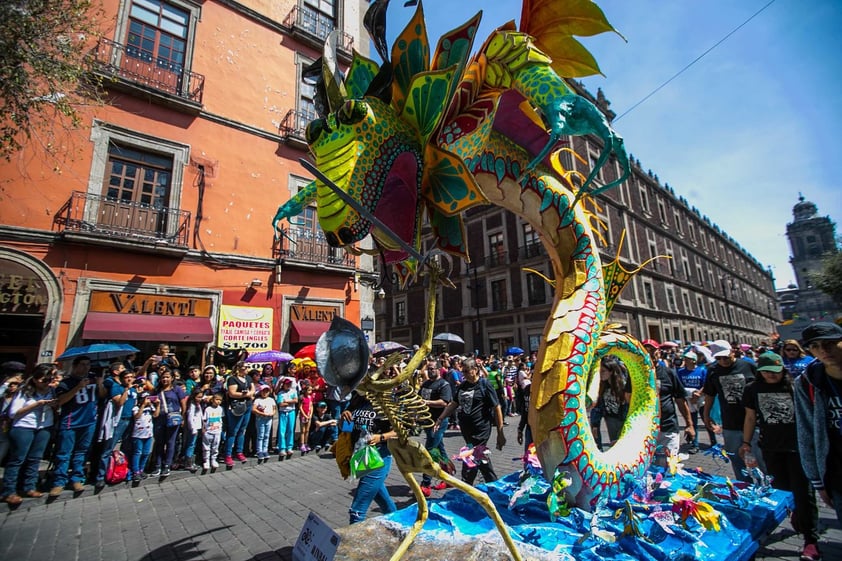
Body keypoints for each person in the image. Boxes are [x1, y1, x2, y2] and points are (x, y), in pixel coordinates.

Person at [741, 351, 821, 561]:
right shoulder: (752, 389)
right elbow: (750, 417)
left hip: (798, 448)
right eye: (766, 372)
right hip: (771, 448)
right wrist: (746, 442)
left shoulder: (795, 386)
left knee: (804, 493)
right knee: (783, 490)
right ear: (760, 372)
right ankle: (796, 514)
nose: (771, 375)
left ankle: (810, 541)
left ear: (782, 369)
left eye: (775, 371)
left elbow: (810, 416)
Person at [794, 321, 842, 528]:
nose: (823, 350)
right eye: (815, 346)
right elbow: (806, 432)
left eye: (830, 343)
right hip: (838, 471)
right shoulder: (807, 382)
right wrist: (817, 481)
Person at [434, 357, 506, 485]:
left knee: (472, 455)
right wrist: (440, 418)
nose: (464, 374)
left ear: (475, 370)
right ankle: (490, 484)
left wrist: (500, 433)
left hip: (481, 428)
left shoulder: (485, 384)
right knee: (479, 457)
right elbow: (454, 403)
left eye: (467, 371)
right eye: (463, 372)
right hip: (467, 429)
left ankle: (467, 483)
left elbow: (497, 407)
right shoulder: (463, 386)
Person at [702, 339, 760, 482]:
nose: (723, 361)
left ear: (733, 352)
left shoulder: (748, 365)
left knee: (760, 460)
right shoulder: (713, 370)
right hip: (730, 423)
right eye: (718, 358)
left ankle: (767, 490)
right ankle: (744, 488)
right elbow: (710, 394)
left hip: (754, 421)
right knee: (736, 460)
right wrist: (706, 414)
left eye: (726, 357)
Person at [1, 364, 57, 505]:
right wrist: (37, 404)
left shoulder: (52, 390)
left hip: (44, 426)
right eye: (44, 380)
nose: (46, 383)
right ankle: (9, 491)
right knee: (17, 459)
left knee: (35, 458)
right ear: (35, 379)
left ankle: (29, 487)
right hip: (24, 427)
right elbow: (13, 413)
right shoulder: (24, 391)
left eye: (49, 379)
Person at [342, 391, 397, 524]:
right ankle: (399, 524)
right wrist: (344, 415)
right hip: (360, 455)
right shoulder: (357, 399)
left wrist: (381, 437)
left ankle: (352, 543)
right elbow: (347, 427)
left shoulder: (387, 401)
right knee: (383, 500)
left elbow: (403, 430)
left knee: (357, 509)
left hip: (378, 456)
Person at [50, 355, 101, 498]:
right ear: (75, 366)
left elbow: (101, 395)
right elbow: (61, 401)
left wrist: (100, 384)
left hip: (89, 421)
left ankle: (77, 478)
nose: (86, 367)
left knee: (82, 452)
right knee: (64, 453)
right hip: (70, 422)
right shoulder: (66, 383)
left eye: (88, 364)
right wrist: (78, 387)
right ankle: (59, 481)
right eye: (83, 364)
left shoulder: (92, 380)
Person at [642, 340, 694, 466]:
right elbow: (628, 400)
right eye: (645, 351)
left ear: (658, 353)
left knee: (669, 466)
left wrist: (689, 424)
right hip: (644, 430)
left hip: (668, 427)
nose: (649, 354)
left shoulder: (669, 373)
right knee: (648, 468)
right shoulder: (635, 374)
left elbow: (680, 401)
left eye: (652, 351)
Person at [94, 362, 137, 491]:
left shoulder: (134, 389)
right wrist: (127, 389)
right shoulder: (116, 388)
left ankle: (123, 471)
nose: (129, 379)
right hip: (118, 421)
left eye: (131, 377)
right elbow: (119, 402)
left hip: (131, 420)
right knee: (108, 448)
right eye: (126, 377)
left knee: (127, 447)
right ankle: (100, 476)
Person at [419, 358, 453, 497]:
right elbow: (418, 397)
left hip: (439, 421)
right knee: (440, 448)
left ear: (439, 369)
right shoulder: (426, 383)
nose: (431, 371)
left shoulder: (444, 385)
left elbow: (444, 402)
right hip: (427, 421)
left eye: (433, 368)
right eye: (429, 369)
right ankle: (449, 476)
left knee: (430, 450)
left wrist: (426, 402)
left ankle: (425, 483)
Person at [150, 366, 187, 477]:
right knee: (159, 443)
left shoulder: (177, 389)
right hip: (159, 419)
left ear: (172, 378)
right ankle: (157, 466)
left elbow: (183, 404)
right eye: (163, 377)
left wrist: (183, 417)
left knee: (171, 442)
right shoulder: (157, 390)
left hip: (173, 419)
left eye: (167, 377)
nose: (165, 379)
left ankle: (167, 465)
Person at [592, 356, 630, 449]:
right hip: (610, 420)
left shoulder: (622, 385)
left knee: (624, 446)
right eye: (600, 371)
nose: (601, 374)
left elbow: (627, 403)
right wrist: (595, 424)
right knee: (614, 446)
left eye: (603, 371)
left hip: (622, 420)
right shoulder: (603, 386)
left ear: (611, 371)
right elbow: (599, 405)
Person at [676, 350, 710, 453]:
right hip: (688, 399)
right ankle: (694, 444)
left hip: (700, 399)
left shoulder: (702, 371)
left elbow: (706, 384)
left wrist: (698, 394)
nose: (685, 360)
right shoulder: (680, 372)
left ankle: (713, 442)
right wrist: (690, 395)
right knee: (692, 422)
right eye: (685, 359)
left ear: (694, 361)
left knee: (706, 420)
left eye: (688, 359)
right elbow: (679, 385)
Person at [224, 361, 254, 467]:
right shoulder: (232, 379)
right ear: (239, 369)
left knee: (242, 430)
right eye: (245, 367)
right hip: (237, 407)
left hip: (247, 406)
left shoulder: (248, 378)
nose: (247, 369)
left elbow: (252, 390)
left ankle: (239, 452)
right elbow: (232, 393)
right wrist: (245, 395)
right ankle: (227, 454)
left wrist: (248, 394)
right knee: (233, 431)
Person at [130, 393, 160, 483]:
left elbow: (155, 415)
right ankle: (135, 471)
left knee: (146, 453)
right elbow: (137, 416)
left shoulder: (150, 407)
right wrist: (143, 405)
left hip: (148, 434)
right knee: (137, 452)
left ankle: (141, 469)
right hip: (138, 434)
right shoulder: (136, 408)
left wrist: (157, 405)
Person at [252, 384, 276, 464]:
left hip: (269, 419)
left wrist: (272, 413)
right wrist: (261, 413)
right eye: (263, 391)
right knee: (260, 435)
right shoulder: (258, 400)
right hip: (260, 419)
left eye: (267, 391)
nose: (265, 393)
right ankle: (259, 451)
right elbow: (254, 409)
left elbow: (274, 409)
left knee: (267, 435)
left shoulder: (271, 400)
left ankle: (265, 450)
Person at [182, 390, 204, 473]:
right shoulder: (192, 405)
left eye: (201, 397)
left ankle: (191, 461)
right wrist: (193, 428)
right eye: (198, 397)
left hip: (198, 427)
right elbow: (190, 418)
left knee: (193, 444)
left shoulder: (197, 404)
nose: (200, 399)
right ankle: (188, 462)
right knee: (190, 445)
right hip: (193, 429)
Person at [202, 392, 224, 471]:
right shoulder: (208, 409)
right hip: (208, 431)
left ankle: (213, 459)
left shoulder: (220, 409)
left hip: (217, 431)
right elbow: (204, 420)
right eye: (217, 399)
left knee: (215, 447)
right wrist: (204, 428)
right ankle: (206, 460)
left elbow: (221, 419)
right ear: (212, 400)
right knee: (206, 447)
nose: (218, 401)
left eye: (220, 400)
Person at [298, 382, 314, 453]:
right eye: (308, 390)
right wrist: (304, 415)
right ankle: (302, 444)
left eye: (311, 390)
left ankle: (306, 443)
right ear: (305, 390)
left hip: (308, 415)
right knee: (303, 431)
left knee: (307, 430)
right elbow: (300, 407)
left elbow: (311, 406)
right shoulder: (302, 398)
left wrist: (310, 415)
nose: (310, 392)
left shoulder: (310, 397)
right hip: (303, 416)